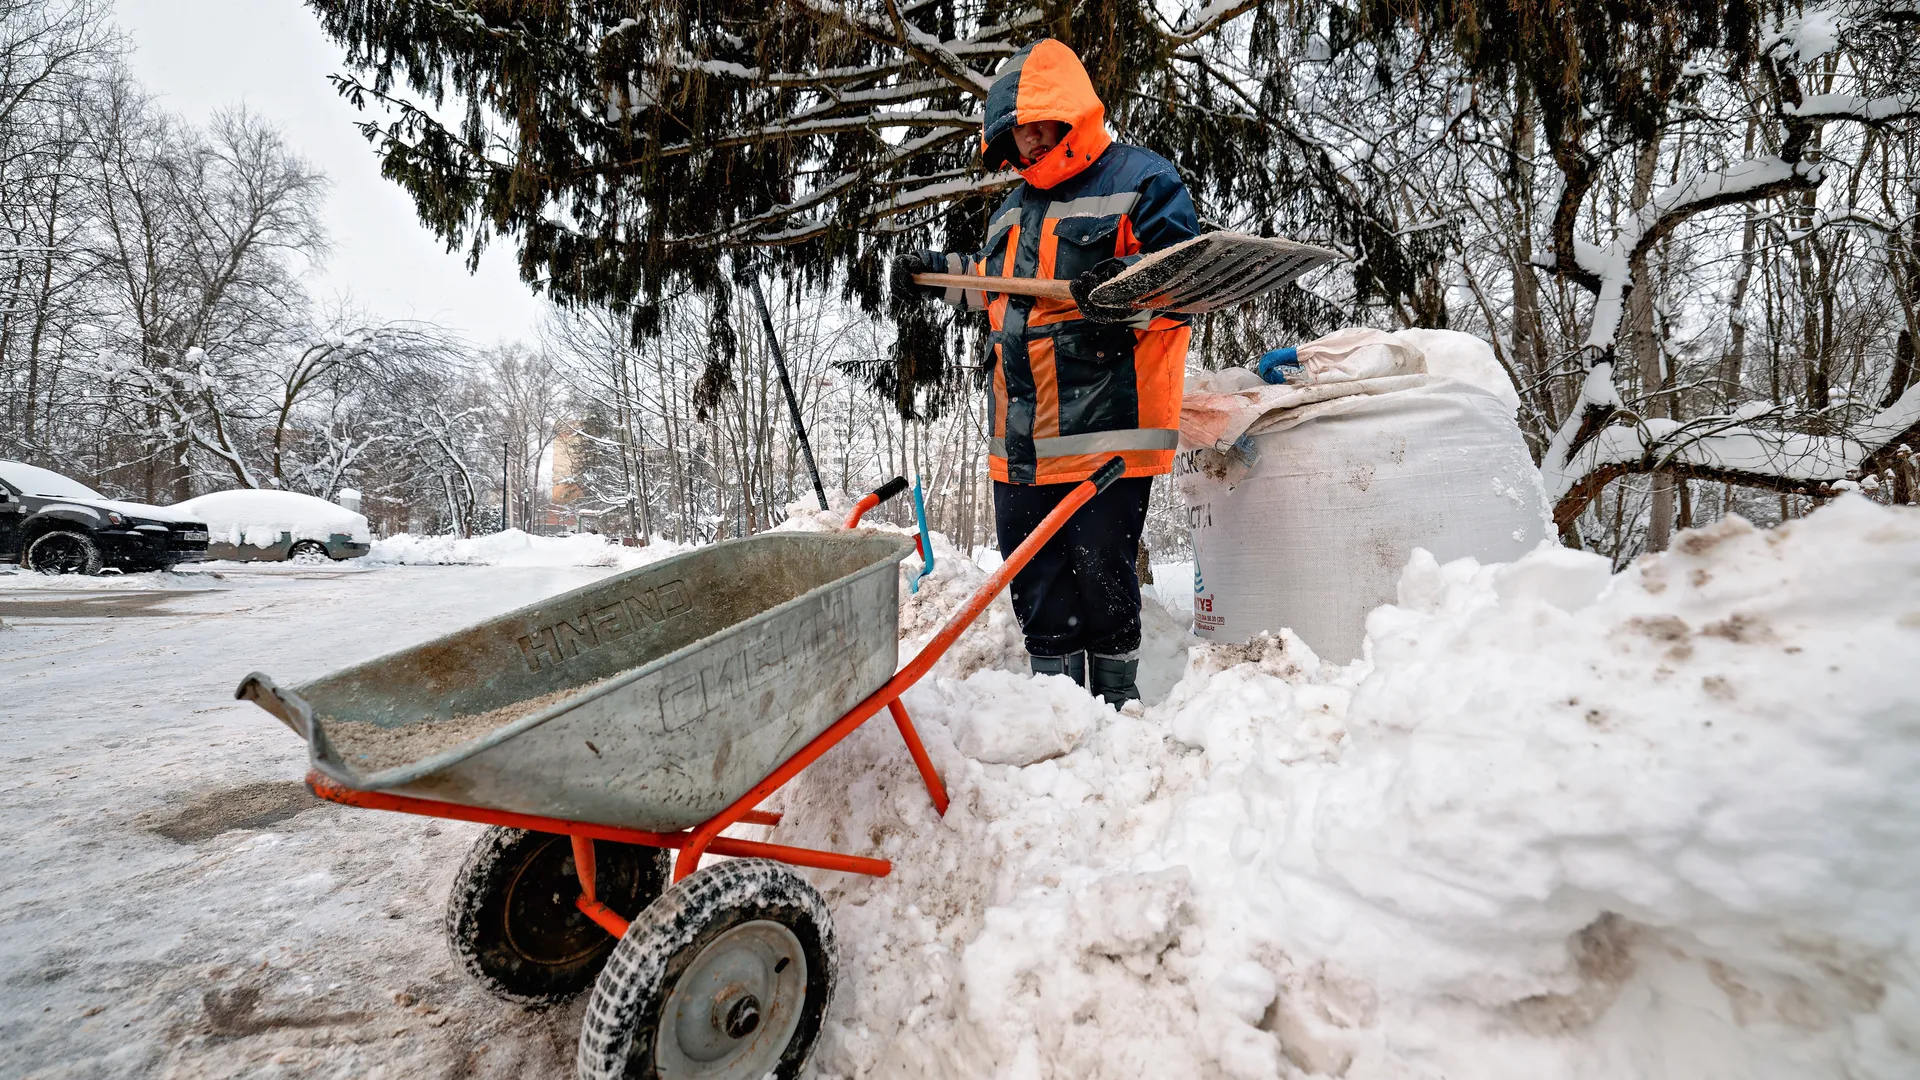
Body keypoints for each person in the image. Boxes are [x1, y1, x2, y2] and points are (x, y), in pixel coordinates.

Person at [891, 38, 1198, 707]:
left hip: (1105, 435)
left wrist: (1126, 290)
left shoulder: (1141, 181)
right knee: (1037, 588)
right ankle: (1051, 712)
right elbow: (996, 286)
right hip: (1020, 445)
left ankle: (1117, 711)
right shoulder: (1011, 210)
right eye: (1014, 136)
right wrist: (932, 273)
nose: (1026, 145)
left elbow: (1180, 282)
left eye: (1033, 127)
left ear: (1067, 114)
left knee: (1103, 583)